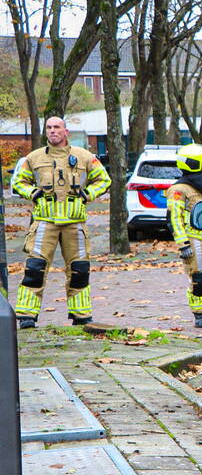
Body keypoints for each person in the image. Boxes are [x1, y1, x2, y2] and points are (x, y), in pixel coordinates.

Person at [11, 116, 110, 329]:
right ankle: (26, 316)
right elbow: (18, 182)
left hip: (75, 223)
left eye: (57, 127)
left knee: (79, 269)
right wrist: (34, 194)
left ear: (66, 131)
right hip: (45, 222)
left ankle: (81, 315)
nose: (52, 131)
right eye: (49, 127)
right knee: (35, 268)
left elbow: (104, 180)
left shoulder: (85, 157)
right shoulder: (34, 158)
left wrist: (86, 195)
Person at [165, 143, 202, 328]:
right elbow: (174, 219)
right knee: (199, 277)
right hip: (194, 240)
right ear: (194, 164)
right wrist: (184, 245)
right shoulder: (179, 190)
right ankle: (200, 314)